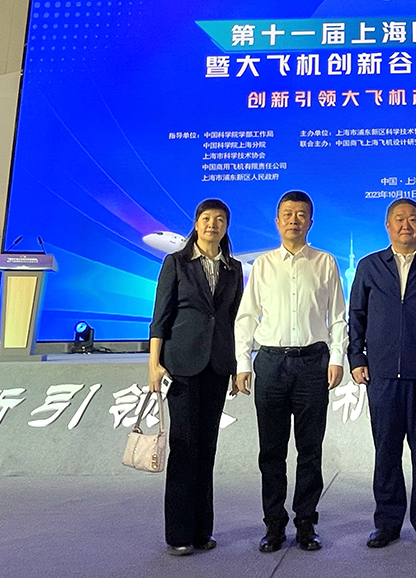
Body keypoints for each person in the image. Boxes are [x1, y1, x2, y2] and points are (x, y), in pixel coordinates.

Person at [233, 191, 347, 553]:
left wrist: (337, 358)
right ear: (277, 221)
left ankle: (306, 522)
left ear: (310, 221)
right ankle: (274, 524)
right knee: (271, 450)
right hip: (271, 363)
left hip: (313, 363)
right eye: (287, 214)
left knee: (310, 449)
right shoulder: (263, 265)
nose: (294, 220)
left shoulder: (325, 262)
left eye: (301, 214)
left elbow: (338, 317)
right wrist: (242, 363)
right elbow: (246, 317)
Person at [348, 198, 416, 550]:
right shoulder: (369, 266)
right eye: (399, 219)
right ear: (388, 225)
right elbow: (357, 316)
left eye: (412, 219)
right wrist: (356, 357)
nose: (405, 225)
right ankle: (387, 523)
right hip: (381, 374)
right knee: (386, 451)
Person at [148, 199, 244, 556]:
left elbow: (234, 319)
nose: (212, 225)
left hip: (217, 366)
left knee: (207, 449)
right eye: (206, 218)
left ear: (226, 226)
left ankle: (203, 530)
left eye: (219, 220)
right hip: (182, 365)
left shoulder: (233, 268)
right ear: (196, 223)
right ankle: (178, 534)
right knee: (184, 447)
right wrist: (154, 364)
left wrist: (236, 365)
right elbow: (160, 316)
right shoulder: (176, 263)